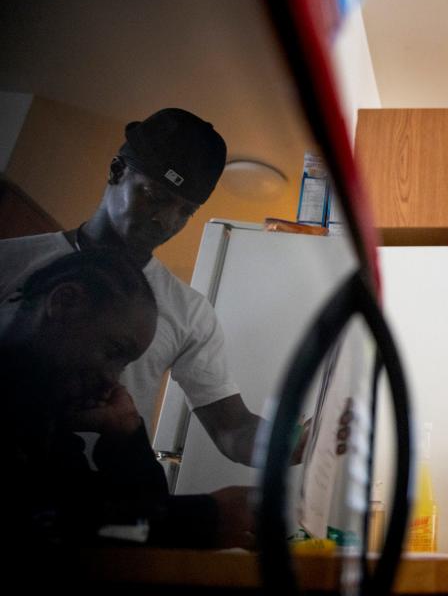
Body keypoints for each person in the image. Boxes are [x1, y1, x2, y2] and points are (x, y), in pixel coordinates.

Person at [0, 108, 265, 465]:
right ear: (116, 171)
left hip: (97, 499)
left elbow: (232, 430)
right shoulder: (10, 261)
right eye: (156, 195)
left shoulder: (189, 312)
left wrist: (302, 442)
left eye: (186, 211)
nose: (167, 220)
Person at [3, 250, 255, 548]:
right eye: (113, 351)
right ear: (64, 301)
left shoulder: (42, 425)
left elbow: (125, 527)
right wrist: (201, 518)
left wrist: (125, 436)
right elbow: (39, 522)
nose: (113, 379)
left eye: (123, 364)